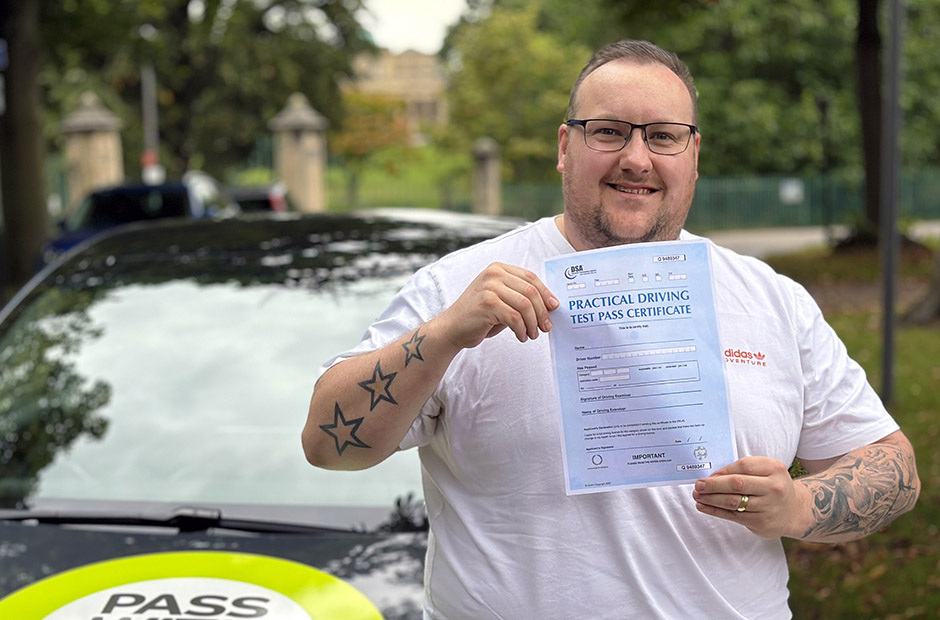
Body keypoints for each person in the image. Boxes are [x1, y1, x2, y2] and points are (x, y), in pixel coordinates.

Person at [302, 40, 920, 619]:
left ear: (694, 156)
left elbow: (893, 468)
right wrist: (444, 336)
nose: (636, 158)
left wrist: (800, 506)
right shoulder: (457, 288)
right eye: (609, 132)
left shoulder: (771, 300)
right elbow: (327, 443)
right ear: (566, 148)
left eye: (663, 136)